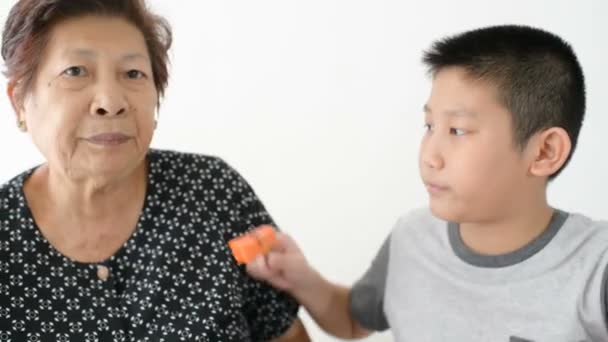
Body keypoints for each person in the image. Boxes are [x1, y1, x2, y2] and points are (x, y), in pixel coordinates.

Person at [247, 25, 608, 341]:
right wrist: (302, 279)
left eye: (458, 130)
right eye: (429, 126)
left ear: (545, 152)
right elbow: (355, 321)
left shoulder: (596, 267)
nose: (430, 155)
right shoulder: (413, 237)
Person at [0, 1, 309, 341]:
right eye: (75, 71)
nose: (110, 101)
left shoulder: (212, 192)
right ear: (19, 101)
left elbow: (287, 334)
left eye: (133, 73)